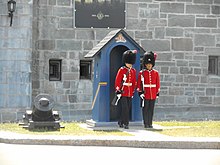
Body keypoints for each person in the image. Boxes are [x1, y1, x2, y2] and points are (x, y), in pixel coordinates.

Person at [137, 51, 160, 128]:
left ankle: (150, 123)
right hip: (145, 93)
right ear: (145, 65)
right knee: (145, 109)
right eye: (148, 64)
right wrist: (140, 92)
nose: (149, 65)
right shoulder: (142, 73)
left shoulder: (155, 73)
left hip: (153, 93)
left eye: (150, 64)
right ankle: (145, 123)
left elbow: (157, 83)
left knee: (151, 109)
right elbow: (139, 84)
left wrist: (157, 92)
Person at [114, 49, 137, 129]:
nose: (129, 64)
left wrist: (133, 90)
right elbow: (117, 81)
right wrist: (118, 90)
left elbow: (134, 82)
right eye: (128, 63)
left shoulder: (133, 71)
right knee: (125, 108)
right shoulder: (122, 70)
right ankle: (126, 124)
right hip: (123, 92)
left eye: (131, 63)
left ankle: (120, 121)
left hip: (130, 92)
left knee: (128, 108)